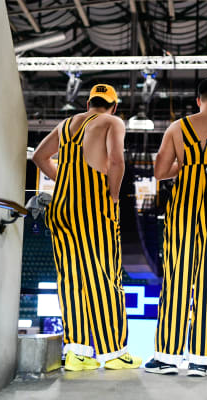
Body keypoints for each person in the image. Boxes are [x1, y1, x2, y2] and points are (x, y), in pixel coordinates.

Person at [32, 84, 141, 371]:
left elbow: (39, 158)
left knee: (71, 280)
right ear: (114, 105)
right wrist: (114, 195)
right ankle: (113, 353)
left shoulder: (66, 124)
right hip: (93, 209)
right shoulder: (112, 122)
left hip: (61, 209)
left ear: (89, 102)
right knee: (105, 278)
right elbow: (116, 161)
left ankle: (77, 353)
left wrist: (65, 179)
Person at [145, 77, 207, 377]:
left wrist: (187, 165)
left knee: (176, 281)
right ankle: (203, 359)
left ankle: (166, 357)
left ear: (199, 100)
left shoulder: (176, 128)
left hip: (182, 211)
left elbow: (160, 172)